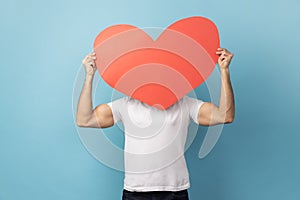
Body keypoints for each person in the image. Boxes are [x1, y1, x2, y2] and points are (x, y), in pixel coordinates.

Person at [76, 48, 235, 200]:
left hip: (175, 192)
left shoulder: (186, 104)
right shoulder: (125, 105)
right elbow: (85, 119)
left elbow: (225, 115)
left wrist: (224, 71)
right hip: (135, 192)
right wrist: (89, 76)